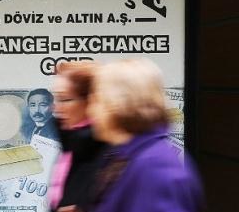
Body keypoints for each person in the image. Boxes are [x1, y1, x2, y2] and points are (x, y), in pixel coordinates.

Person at [87, 59, 204, 212]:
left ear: (118, 103)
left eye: (97, 100)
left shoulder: (155, 167)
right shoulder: (128, 156)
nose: (90, 111)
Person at [48, 61, 106, 212]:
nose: (56, 108)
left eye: (64, 99)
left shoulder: (109, 148)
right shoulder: (73, 142)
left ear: (90, 101)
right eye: (55, 98)